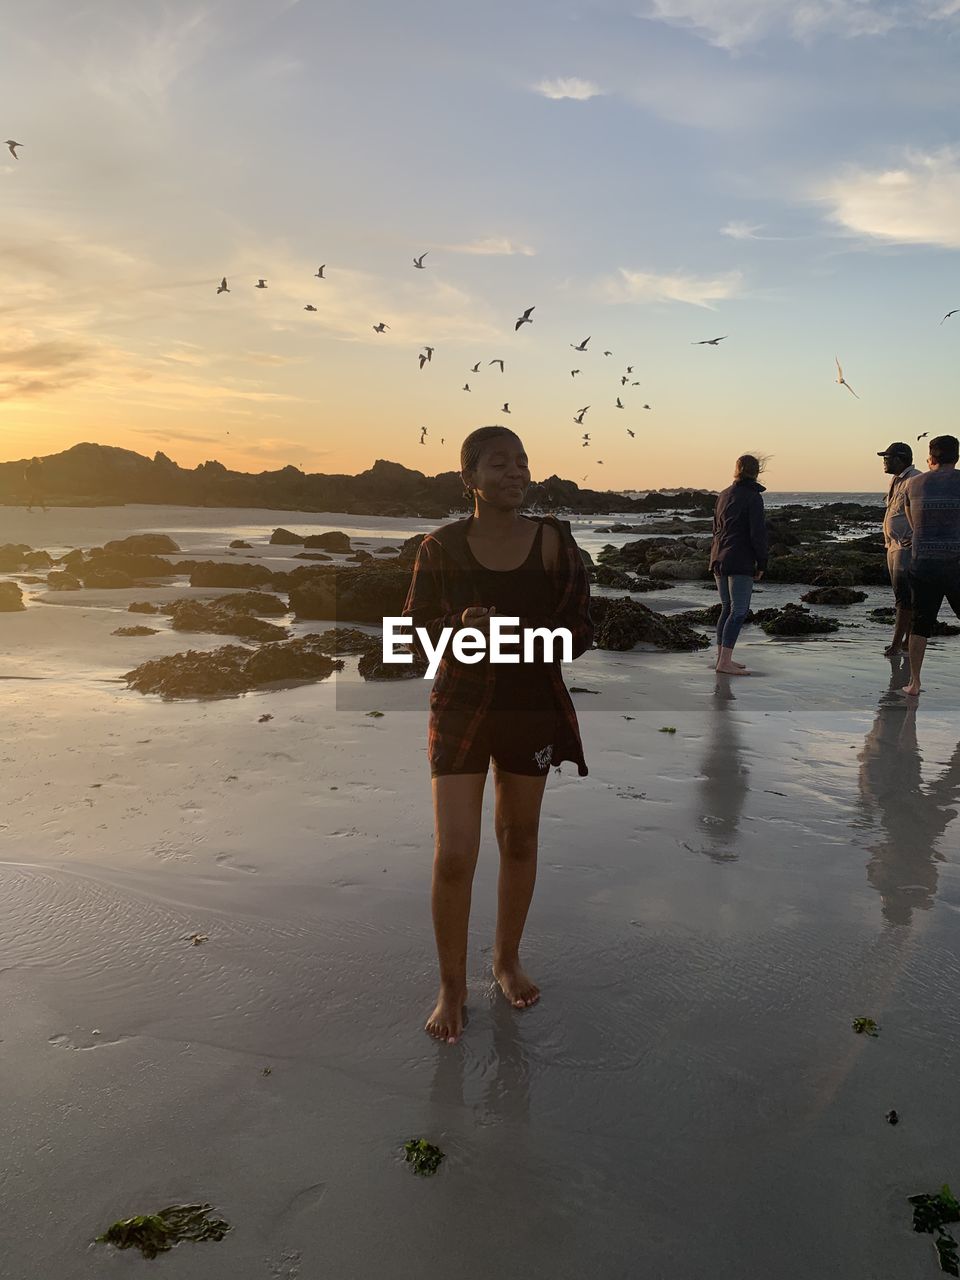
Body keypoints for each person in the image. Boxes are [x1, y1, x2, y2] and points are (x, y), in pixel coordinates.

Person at [402, 425, 594, 1045]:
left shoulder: (555, 544)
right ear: (469, 477)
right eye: (499, 463)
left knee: (518, 837)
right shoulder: (439, 548)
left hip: (530, 706)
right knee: (455, 853)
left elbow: (580, 633)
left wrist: (507, 626)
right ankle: (451, 986)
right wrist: (461, 623)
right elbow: (412, 637)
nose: (515, 472)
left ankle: (506, 959)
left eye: (522, 462)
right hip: (460, 705)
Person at [900, 434, 960, 697]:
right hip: (956, 563)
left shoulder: (913, 484)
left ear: (932, 456)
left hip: (922, 562)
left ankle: (914, 682)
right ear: (956, 456)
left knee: (920, 623)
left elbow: (913, 524)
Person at [708, 454, 768, 676]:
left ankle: (722, 658)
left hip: (718, 557)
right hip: (739, 558)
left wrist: (714, 556)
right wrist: (762, 562)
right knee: (739, 611)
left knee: (727, 608)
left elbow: (715, 528)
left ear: (737, 469)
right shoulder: (753, 497)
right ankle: (724, 662)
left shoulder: (723, 494)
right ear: (757, 471)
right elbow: (757, 534)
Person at [877, 441, 921, 656]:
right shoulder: (896, 480)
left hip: (905, 547)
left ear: (900, 459)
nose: (884, 461)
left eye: (888, 457)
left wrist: (915, 537)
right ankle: (903, 643)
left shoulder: (915, 480)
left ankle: (898, 644)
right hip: (892, 545)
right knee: (901, 595)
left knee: (904, 597)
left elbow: (923, 511)